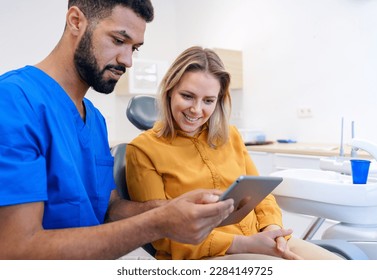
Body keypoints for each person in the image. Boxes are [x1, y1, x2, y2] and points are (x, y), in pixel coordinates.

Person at [0, 1, 236, 260]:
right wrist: (158, 222)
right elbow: (15, 249)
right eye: (118, 40)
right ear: (76, 21)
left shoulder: (95, 120)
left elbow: (110, 208)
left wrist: (172, 208)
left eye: (134, 48)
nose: (127, 60)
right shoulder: (13, 101)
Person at [125, 46, 343, 260]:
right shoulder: (143, 150)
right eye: (188, 96)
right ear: (170, 91)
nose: (196, 109)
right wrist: (242, 244)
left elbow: (261, 194)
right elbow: (160, 233)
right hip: (202, 255)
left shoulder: (230, 135)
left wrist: (273, 230)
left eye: (208, 100)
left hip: (259, 238)